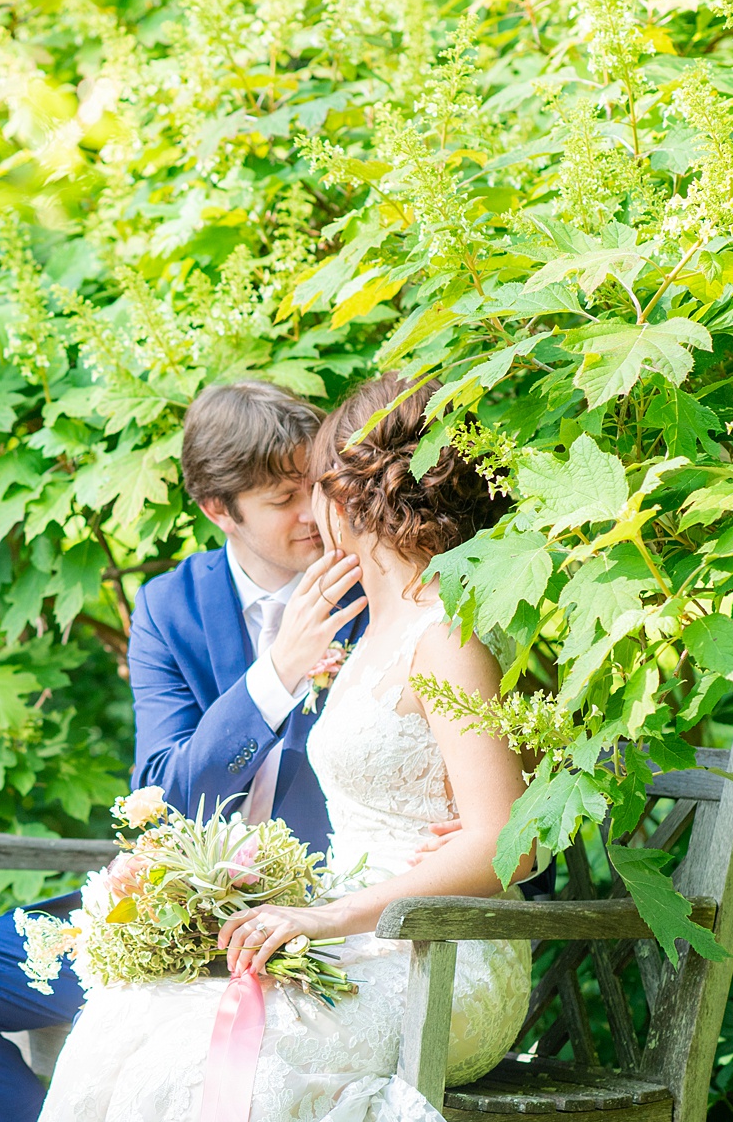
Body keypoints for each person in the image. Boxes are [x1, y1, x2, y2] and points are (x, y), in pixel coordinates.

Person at [0, 381, 377, 1122]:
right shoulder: (170, 607)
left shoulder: (369, 584)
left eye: (314, 486)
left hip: (308, 930)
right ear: (217, 510)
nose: (312, 513)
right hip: (164, 917)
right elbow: (165, 794)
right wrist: (275, 676)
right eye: (281, 498)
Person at [36, 373, 534, 1122]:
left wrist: (326, 918)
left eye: (320, 482)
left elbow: (507, 842)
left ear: (351, 494)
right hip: (357, 936)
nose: (311, 506)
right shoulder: (371, 626)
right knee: (125, 1018)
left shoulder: (447, 637)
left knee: (200, 1057)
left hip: (441, 955)